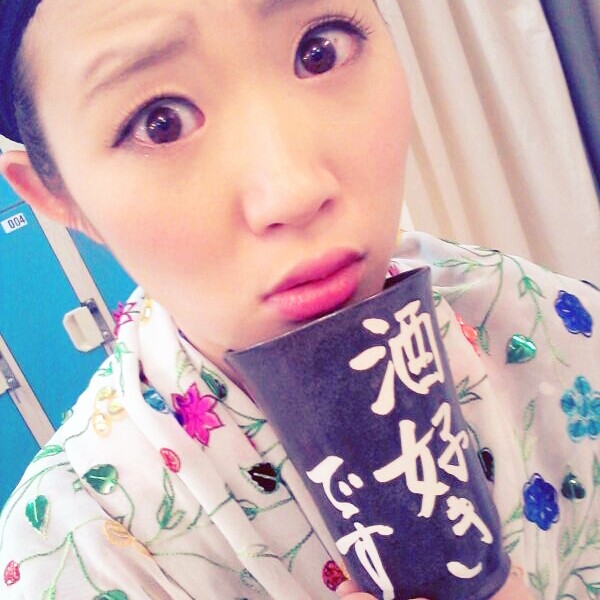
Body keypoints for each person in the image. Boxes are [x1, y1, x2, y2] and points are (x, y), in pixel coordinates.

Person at [0, 0, 597, 598]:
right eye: (160, 122)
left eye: (320, 51)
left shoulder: (552, 325)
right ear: (57, 196)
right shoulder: (68, 555)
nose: (294, 193)